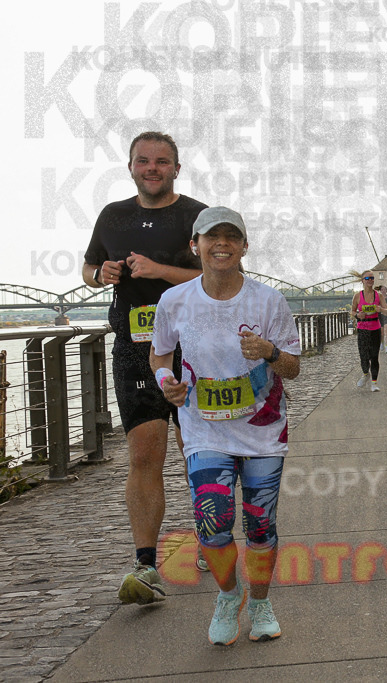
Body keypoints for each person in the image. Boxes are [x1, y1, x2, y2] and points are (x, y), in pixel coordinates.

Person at [151, 206, 300, 645]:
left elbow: (293, 367)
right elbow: (159, 356)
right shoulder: (174, 301)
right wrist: (166, 383)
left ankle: (260, 602)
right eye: (211, 236)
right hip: (204, 431)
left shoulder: (269, 301)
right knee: (213, 522)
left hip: (263, 431)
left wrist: (269, 351)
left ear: (244, 247)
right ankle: (227, 596)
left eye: (230, 237)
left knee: (260, 526)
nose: (221, 244)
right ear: (195, 245)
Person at [82, 131, 207, 604]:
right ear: (130, 166)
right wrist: (101, 275)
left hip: (195, 346)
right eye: (143, 161)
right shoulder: (113, 216)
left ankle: (209, 538)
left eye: (162, 161)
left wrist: (161, 272)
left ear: (177, 168)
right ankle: (146, 564)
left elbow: (220, 273)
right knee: (143, 455)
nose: (152, 168)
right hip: (135, 347)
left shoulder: (198, 215)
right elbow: (89, 267)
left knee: (196, 449)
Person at [352, 270, 383, 391]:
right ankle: (366, 374)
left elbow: (386, 310)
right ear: (362, 281)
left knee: (374, 356)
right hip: (362, 329)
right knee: (364, 356)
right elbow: (353, 311)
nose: (370, 280)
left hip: (375, 328)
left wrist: (380, 309)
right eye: (367, 278)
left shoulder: (378, 295)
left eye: (372, 278)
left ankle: (374, 383)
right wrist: (357, 315)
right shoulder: (357, 296)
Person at [376, 284, 387, 354]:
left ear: (386, 291)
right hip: (380, 316)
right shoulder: (378, 298)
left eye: (384, 289)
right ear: (380, 291)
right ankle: (382, 343)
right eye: (382, 290)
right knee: (382, 332)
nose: (383, 291)